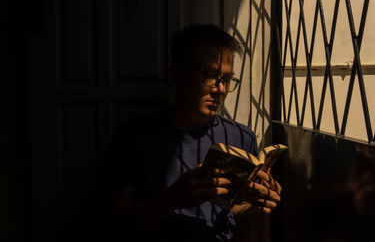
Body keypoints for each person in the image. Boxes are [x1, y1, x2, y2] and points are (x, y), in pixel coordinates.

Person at [91, 24, 282, 242]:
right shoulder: (135, 137)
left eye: (227, 80)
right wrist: (172, 199)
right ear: (175, 73)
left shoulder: (240, 137)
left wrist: (260, 204)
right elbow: (113, 225)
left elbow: (230, 214)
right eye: (208, 75)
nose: (219, 89)